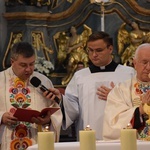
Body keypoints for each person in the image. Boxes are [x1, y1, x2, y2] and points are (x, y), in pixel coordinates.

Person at [49, 31, 135, 140]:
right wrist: (61, 99)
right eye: (90, 50)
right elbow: (72, 107)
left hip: (121, 136)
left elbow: (138, 103)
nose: (94, 55)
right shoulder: (80, 76)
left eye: (99, 50)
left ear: (110, 49)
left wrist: (116, 97)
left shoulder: (128, 74)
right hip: (88, 137)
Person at [0, 42, 62, 150]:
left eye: (32, 64)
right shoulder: (0, 80)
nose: (29, 69)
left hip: (36, 141)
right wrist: (1, 117)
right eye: (23, 65)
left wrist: (48, 120)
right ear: (12, 62)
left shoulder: (43, 81)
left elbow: (55, 111)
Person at [103, 43, 150, 140]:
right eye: (144, 62)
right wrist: (140, 110)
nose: (149, 67)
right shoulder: (121, 90)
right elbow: (113, 125)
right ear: (135, 63)